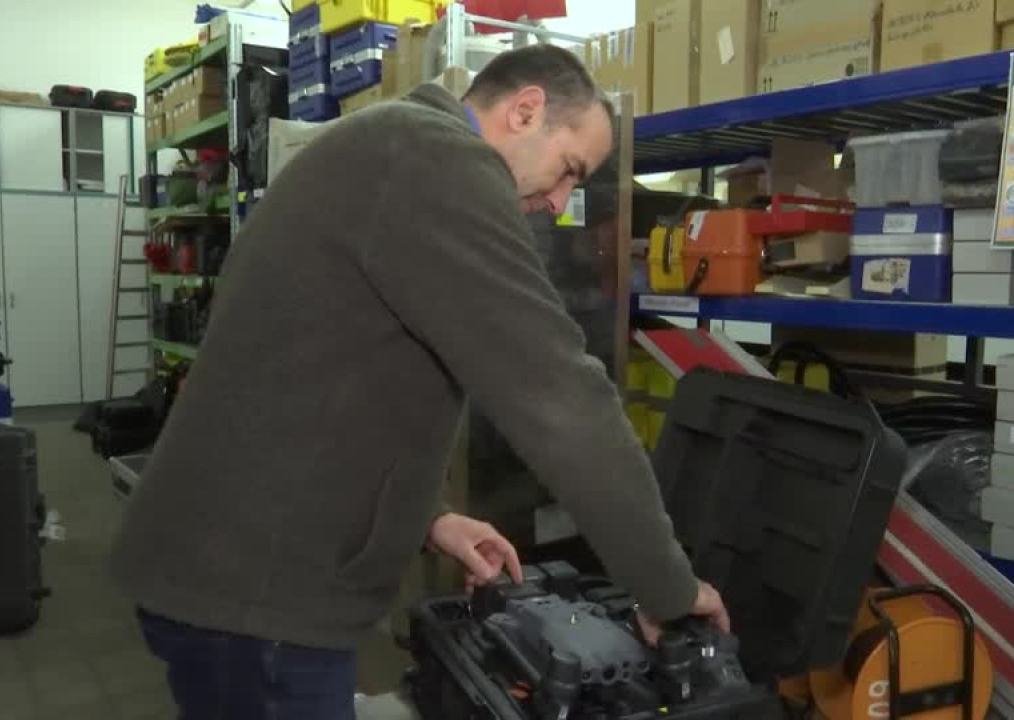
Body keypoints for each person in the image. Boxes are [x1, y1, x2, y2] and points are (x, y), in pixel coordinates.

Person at [109, 44, 729, 720]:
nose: (558, 201)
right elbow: (563, 402)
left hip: (230, 575)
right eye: (569, 171)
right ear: (526, 112)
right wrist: (667, 588)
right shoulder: (439, 165)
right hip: (258, 601)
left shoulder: (393, 148)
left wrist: (430, 517)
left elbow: (327, 381)